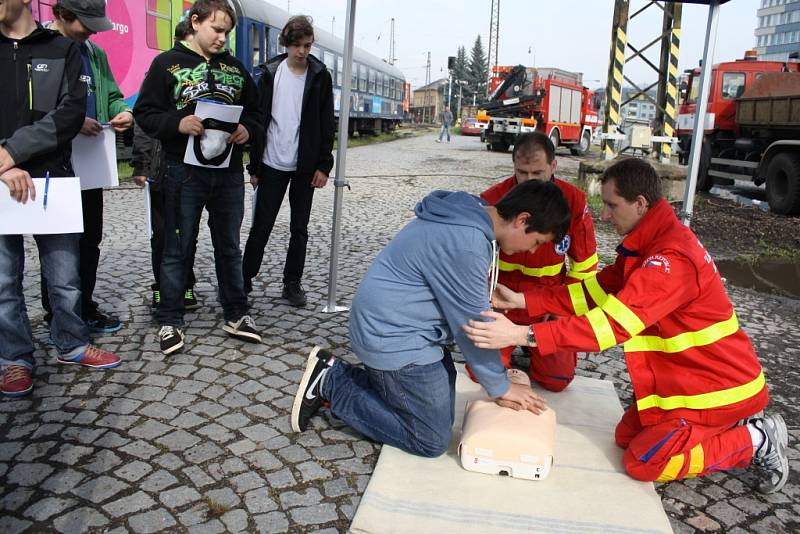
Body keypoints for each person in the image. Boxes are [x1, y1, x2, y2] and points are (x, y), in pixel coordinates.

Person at [464, 158, 789, 494]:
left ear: (640, 204)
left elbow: (608, 327)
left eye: (611, 205)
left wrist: (521, 334)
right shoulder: (649, 242)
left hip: (713, 390)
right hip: (682, 381)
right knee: (626, 438)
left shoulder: (669, 260)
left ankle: (756, 439)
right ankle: (731, 427)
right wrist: (524, 301)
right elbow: (596, 290)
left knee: (644, 462)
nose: (604, 215)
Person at [290, 180, 572, 458]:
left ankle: (356, 380)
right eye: (536, 241)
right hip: (392, 337)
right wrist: (501, 387)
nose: (533, 251)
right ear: (523, 220)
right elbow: (474, 329)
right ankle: (332, 382)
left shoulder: (473, 213)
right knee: (430, 439)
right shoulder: (467, 242)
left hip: (401, 327)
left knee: (438, 410)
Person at [0, 0, 121, 397]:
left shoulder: (62, 49)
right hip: (1, 178)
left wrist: (12, 152)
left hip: (53, 180)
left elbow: (70, 112)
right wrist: (4, 162)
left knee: (66, 277)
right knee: (4, 282)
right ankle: (15, 359)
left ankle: (71, 343)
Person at [133, 0, 264, 355]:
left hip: (227, 173)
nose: (223, 38)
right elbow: (144, 113)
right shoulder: (165, 64)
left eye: (227, 32)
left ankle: (236, 313)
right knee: (177, 246)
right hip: (181, 171)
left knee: (229, 246)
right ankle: (170, 320)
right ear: (195, 22)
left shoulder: (236, 69)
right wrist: (176, 123)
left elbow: (257, 113)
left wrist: (247, 130)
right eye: (216, 30)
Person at [467, 132, 598, 391]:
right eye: (521, 172)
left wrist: (560, 306)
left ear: (553, 166)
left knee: (556, 381)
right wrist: (485, 301)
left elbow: (585, 266)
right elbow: (473, 262)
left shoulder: (573, 201)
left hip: (547, 304)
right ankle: (520, 346)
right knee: (480, 375)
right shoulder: (493, 199)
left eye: (537, 173)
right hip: (502, 302)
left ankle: (531, 348)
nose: (527, 181)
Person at [42, 0, 134, 334]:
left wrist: (123, 110)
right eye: (86, 24)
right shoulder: (42, 49)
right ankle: (58, 313)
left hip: (90, 164)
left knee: (89, 239)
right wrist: (74, 120)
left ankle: (85, 305)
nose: (93, 31)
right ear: (62, 15)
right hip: (53, 164)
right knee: (57, 244)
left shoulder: (94, 54)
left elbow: (111, 95)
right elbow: (33, 106)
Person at [242, 15, 335, 307]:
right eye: (297, 45)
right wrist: (254, 166)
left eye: (307, 45)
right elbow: (258, 121)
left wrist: (324, 165)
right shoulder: (269, 73)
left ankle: (292, 283)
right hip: (271, 162)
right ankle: (243, 280)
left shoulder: (320, 75)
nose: (302, 52)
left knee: (300, 228)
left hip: (305, 167)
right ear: (287, 43)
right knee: (261, 226)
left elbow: (326, 123)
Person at [131, 19, 199, 311]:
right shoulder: (160, 72)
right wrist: (141, 165)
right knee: (162, 234)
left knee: (188, 234)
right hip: (160, 167)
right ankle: (161, 286)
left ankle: (186, 284)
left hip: (190, 168)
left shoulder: (200, 78)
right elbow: (143, 123)